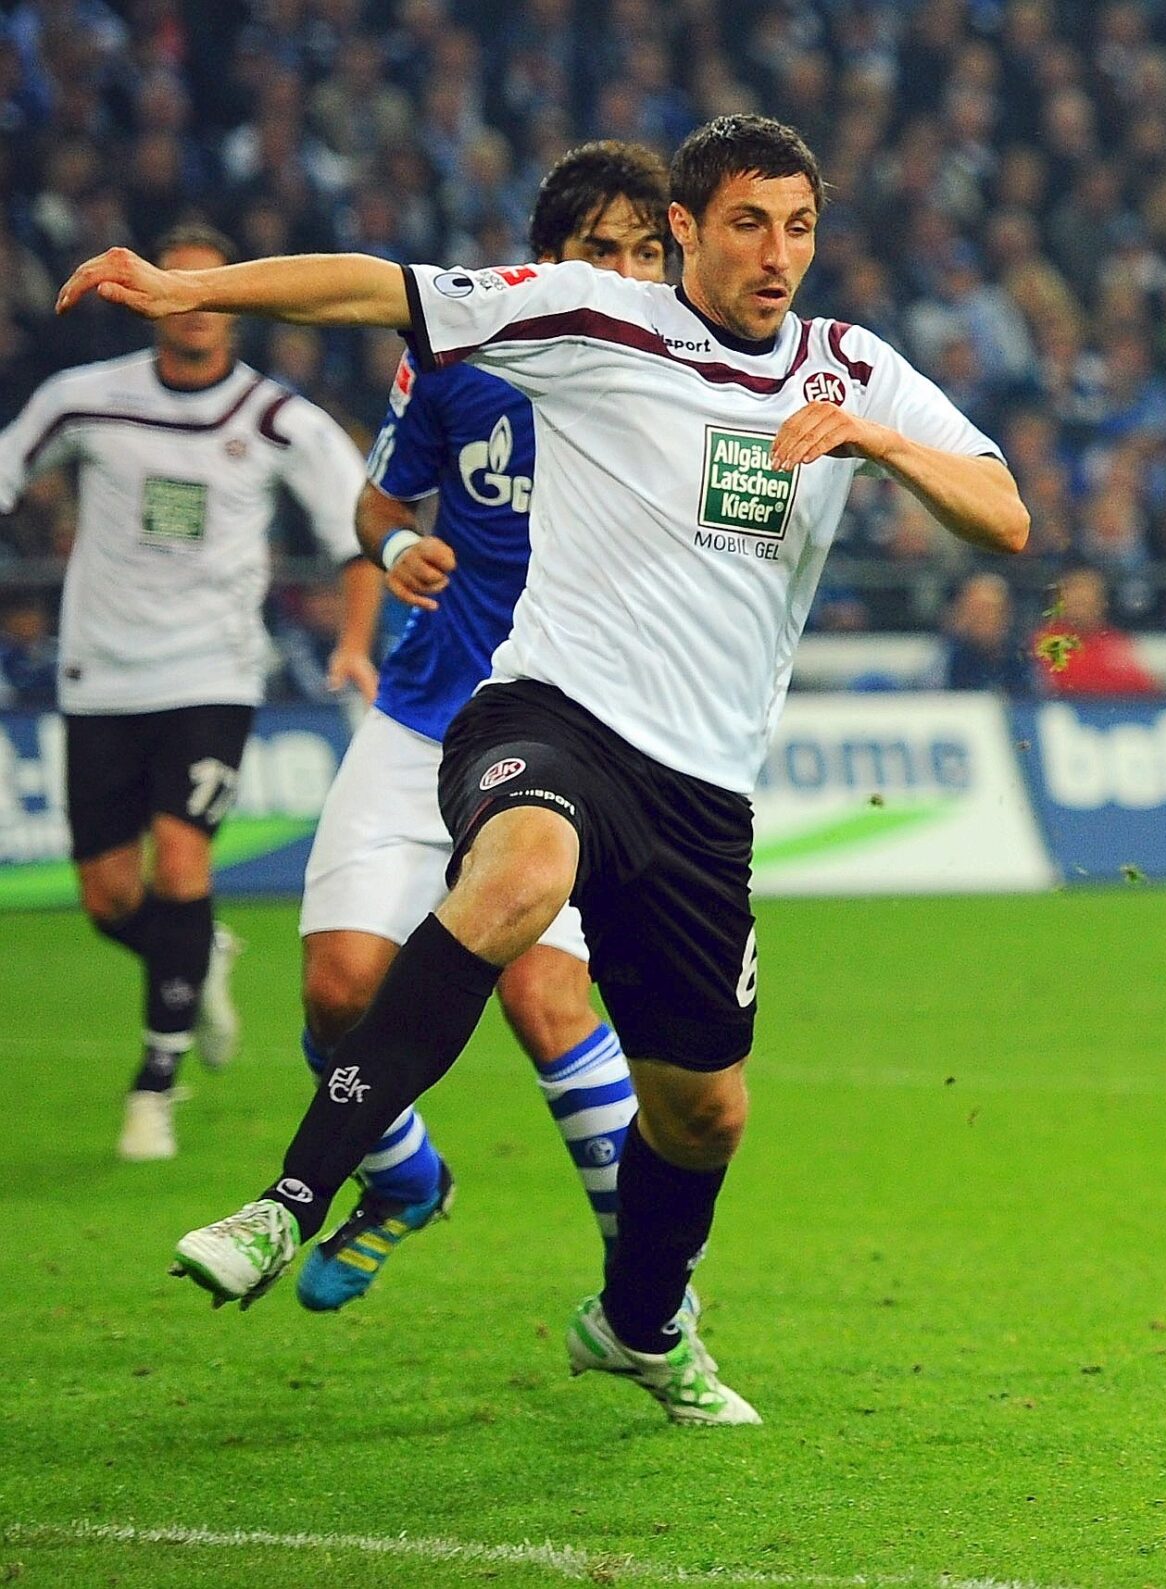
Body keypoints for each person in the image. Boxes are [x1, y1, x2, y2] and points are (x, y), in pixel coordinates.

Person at [62, 113, 1028, 1423]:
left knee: (706, 1115)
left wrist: (877, 444)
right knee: (518, 878)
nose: (777, 254)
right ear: (685, 229)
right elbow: (378, 287)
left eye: (798, 227)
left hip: (703, 793)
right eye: (748, 222)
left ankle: (638, 1324)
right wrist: (193, 286)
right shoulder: (593, 318)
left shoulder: (850, 367)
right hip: (549, 710)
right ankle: (291, 1197)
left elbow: (1006, 513)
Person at [289, 142, 672, 1315]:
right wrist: (399, 548)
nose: (623, 272)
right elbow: (376, 500)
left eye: (646, 252)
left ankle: (653, 1299)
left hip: (571, 739)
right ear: (545, 258)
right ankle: (405, 1182)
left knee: (544, 997)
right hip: (423, 719)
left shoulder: (688, 379)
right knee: (339, 989)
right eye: (598, 249)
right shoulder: (462, 352)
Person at [0, 221, 373, 1163]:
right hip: (100, 676)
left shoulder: (277, 419)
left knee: (182, 867)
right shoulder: (85, 402)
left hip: (212, 674)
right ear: (151, 295)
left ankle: (153, 1087)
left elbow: (360, 522)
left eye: (216, 290)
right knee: (107, 895)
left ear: (235, 306)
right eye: (182, 286)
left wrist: (357, 640)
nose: (197, 306)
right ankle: (196, 956)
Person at [1032, 565, 1159, 696]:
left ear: (1103, 600)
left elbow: (1144, 687)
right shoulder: (1042, 642)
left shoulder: (1118, 643)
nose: (1080, 596)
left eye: (1087, 590)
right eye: (1072, 588)